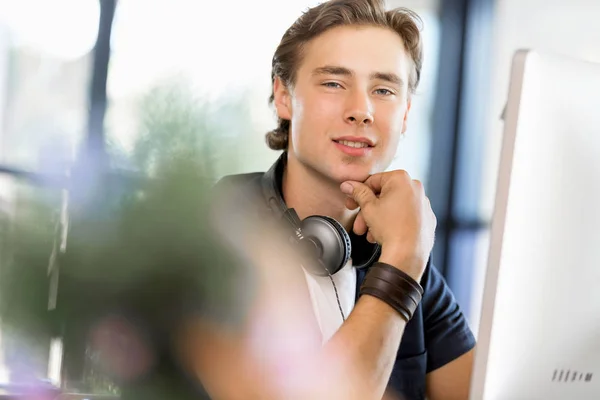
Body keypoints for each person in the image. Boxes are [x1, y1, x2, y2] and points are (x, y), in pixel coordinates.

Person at [188, 1, 476, 399]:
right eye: (334, 83)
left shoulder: (398, 250)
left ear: (406, 113)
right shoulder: (221, 229)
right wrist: (400, 269)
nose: (361, 110)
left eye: (384, 89)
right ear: (284, 96)